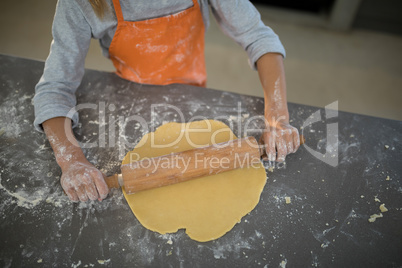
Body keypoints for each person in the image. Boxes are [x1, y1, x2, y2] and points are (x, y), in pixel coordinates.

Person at [33, 0, 300, 202]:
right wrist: (72, 160)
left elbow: (259, 37)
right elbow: (55, 87)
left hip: (193, 94)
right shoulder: (81, 5)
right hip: (127, 102)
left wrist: (277, 119)